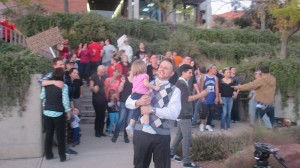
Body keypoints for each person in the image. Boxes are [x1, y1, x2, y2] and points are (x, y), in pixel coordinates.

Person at [126, 58, 181, 168]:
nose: (162, 69)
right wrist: (138, 102)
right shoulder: (146, 83)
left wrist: (153, 110)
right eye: (161, 67)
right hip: (141, 133)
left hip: (161, 135)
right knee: (139, 165)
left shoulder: (175, 90)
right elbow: (128, 102)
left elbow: (174, 113)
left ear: (172, 73)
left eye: (166, 68)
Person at [170, 64, 208, 168]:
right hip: (184, 115)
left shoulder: (182, 82)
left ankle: (171, 153)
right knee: (187, 138)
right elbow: (187, 99)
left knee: (180, 135)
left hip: (183, 114)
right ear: (183, 72)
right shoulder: (182, 83)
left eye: (192, 73)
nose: (191, 75)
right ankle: (186, 162)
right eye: (189, 73)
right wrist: (201, 94)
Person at [39, 57, 78, 156]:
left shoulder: (63, 75)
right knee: (60, 132)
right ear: (54, 66)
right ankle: (63, 153)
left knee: (55, 132)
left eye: (62, 64)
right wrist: (54, 82)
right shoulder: (52, 75)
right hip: (55, 108)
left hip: (54, 108)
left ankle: (58, 151)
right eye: (59, 65)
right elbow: (40, 82)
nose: (62, 66)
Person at [40, 68, 71, 162]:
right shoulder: (63, 86)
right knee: (60, 135)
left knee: (49, 134)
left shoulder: (46, 85)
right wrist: (68, 112)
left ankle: (48, 155)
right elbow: (65, 101)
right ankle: (62, 157)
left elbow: (41, 96)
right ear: (62, 76)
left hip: (47, 112)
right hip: (59, 113)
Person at [125, 60, 160, 136]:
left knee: (136, 111)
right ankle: (146, 125)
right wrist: (155, 87)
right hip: (142, 94)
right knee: (146, 109)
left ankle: (131, 125)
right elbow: (146, 84)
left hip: (134, 94)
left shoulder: (135, 77)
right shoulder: (145, 75)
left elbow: (135, 86)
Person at [111, 72, 133, 143]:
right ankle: (115, 136)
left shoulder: (136, 81)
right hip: (123, 102)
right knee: (121, 119)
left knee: (128, 121)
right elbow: (119, 90)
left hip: (132, 103)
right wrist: (122, 83)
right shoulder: (125, 79)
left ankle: (125, 137)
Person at [199, 64, 219, 132]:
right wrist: (202, 96)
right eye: (214, 69)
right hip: (205, 97)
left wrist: (217, 97)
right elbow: (201, 87)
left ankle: (208, 125)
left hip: (212, 97)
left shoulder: (216, 78)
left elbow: (216, 88)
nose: (215, 70)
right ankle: (202, 125)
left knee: (211, 112)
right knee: (204, 112)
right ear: (210, 69)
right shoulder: (204, 76)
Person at [90, 65, 107, 137]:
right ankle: (97, 131)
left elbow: (105, 87)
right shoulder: (94, 77)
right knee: (98, 115)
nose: (104, 72)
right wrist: (93, 88)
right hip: (96, 99)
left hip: (104, 98)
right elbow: (90, 88)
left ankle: (101, 131)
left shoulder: (104, 77)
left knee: (103, 115)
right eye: (103, 71)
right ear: (99, 70)